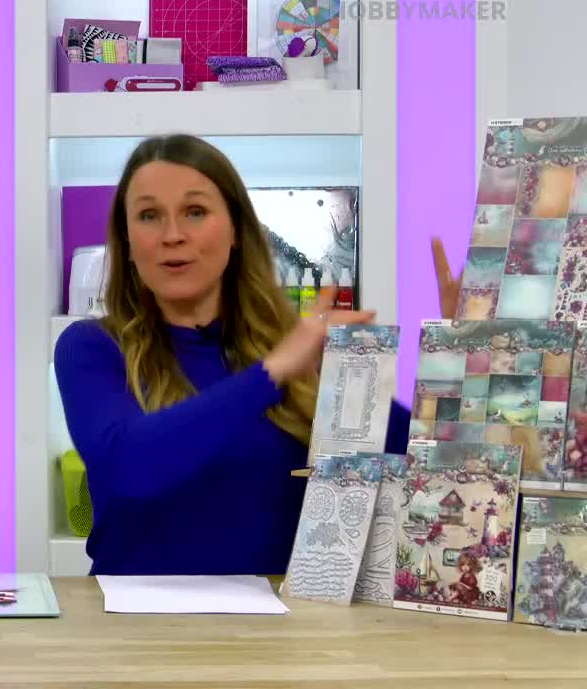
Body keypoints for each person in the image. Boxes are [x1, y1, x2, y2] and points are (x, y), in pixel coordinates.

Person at [53, 135, 458, 576]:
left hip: (288, 638)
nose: (172, 235)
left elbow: (427, 470)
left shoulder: (301, 354)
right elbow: (129, 467)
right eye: (149, 215)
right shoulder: (91, 347)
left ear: (235, 233)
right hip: (133, 635)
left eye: (195, 211)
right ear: (127, 242)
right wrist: (273, 371)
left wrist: (463, 360)